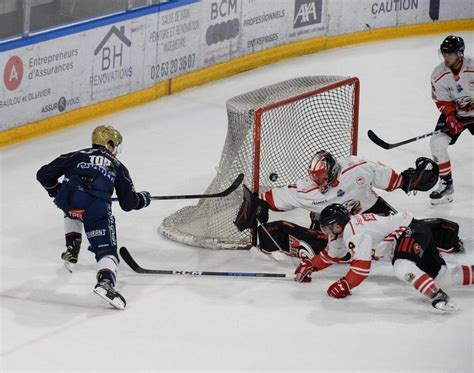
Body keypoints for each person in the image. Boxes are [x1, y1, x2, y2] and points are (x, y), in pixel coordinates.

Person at [234, 151, 463, 258]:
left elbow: (396, 181)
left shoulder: (357, 168)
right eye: (315, 177)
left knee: (407, 234)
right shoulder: (307, 189)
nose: (318, 182)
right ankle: (278, 237)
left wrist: (412, 179)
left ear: (333, 170)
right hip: (333, 225)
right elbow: (271, 199)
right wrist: (258, 205)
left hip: (371, 211)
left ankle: (446, 235)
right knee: (331, 251)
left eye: (322, 177)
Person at [36, 125, 151, 310]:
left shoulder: (77, 155)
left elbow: (43, 174)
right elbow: (128, 204)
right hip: (95, 207)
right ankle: (105, 283)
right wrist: (143, 199)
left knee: (73, 209)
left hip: (68, 199)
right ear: (110, 144)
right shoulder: (118, 166)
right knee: (107, 250)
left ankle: (72, 247)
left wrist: (56, 193)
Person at [294, 204, 473, 311]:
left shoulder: (353, 232)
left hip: (410, 230)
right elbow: (331, 255)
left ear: (338, 225)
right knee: (443, 276)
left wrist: (346, 284)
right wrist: (311, 265)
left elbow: (361, 269)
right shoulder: (343, 232)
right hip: (414, 230)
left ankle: (438, 297)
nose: (325, 232)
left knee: (402, 266)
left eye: (327, 228)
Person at [429, 35, 474, 204]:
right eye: (444, 53)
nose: (446, 57)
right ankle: (447, 184)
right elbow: (441, 100)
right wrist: (451, 116)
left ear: (460, 54)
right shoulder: (438, 74)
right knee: (437, 143)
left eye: (450, 53)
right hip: (456, 113)